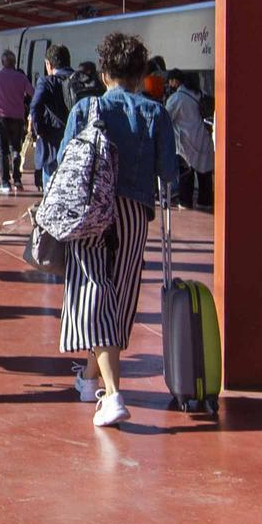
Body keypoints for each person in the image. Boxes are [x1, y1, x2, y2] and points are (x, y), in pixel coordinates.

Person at [58, 31, 177, 428]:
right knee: (118, 297)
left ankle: (112, 394)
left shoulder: (88, 107)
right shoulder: (156, 113)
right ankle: (90, 378)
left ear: (105, 71)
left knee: (94, 294)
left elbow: (64, 160)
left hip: (93, 210)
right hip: (134, 214)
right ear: (141, 72)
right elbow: (169, 172)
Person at [28, 45, 74, 193]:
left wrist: (39, 131)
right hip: (76, 144)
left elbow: (35, 106)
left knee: (51, 191)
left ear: (49, 64)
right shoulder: (78, 80)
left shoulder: (47, 82)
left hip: (52, 145)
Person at [165, 68, 213, 211]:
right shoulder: (199, 94)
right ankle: (205, 203)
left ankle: (185, 204)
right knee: (204, 175)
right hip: (203, 139)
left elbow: (166, 119)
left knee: (186, 176)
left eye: (170, 81)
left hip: (186, 143)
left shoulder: (176, 98)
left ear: (175, 81)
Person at [0, 49, 32, 194]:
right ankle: (17, 178)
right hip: (18, 117)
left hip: (1, 117)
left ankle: (5, 182)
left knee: (2, 150)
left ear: (3, 62)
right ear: (15, 62)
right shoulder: (20, 77)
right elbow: (32, 92)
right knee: (15, 147)